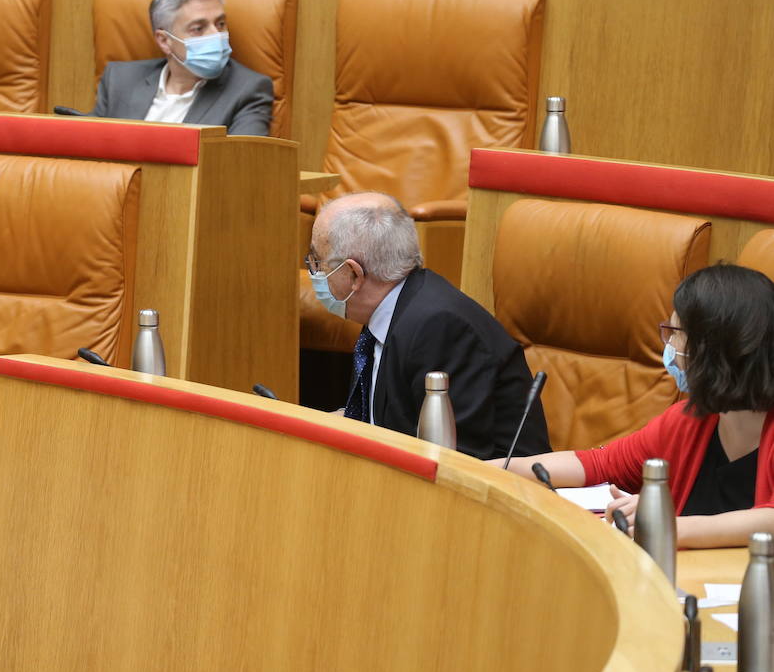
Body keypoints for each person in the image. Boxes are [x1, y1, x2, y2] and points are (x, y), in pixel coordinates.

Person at [497, 265, 774, 549]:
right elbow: (598, 465)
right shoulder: (689, 421)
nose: (669, 346)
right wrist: (485, 470)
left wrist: (668, 526)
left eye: (676, 333)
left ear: (710, 350)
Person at [307, 192, 549, 458]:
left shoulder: (438, 327)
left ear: (354, 274)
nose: (314, 272)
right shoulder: (389, 308)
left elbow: (453, 463)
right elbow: (384, 422)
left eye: (316, 261)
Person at [91, 0, 274, 137]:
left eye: (220, 24)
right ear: (164, 41)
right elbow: (91, 148)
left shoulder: (249, 90)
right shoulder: (120, 79)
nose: (216, 35)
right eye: (198, 28)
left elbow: (239, 164)